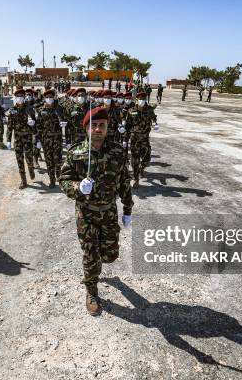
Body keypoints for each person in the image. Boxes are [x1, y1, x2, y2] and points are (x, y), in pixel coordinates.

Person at [59, 107, 133, 316]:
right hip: (86, 213)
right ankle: (91, 290)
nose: (98, 129)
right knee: (91, 255)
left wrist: (127, 209)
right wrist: (77, 188)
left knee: (110, 255)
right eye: (94, 126)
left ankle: (98, 267)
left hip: (109, 212)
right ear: (87, 128)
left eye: (102, 125)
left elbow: (124, 183)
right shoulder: (76, 153)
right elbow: (63, 180)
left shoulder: (117, 152)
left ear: (108, 128)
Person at [125, 92, 157, 188]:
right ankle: (136, 178)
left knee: (147, 157)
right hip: (134, 139)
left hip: (145, 138)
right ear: (137, 100)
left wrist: (155, 123)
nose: (142, 100)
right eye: (140, 99)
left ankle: (142, 168)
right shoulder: (131, 111)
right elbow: (128, 125)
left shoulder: (149, 110)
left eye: (143, 98)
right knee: (135, 160)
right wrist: (125, 139)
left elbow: (154, 118)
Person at [7, 88, 37, 189]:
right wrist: (8, 139)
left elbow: (35, 123)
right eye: (18, 96)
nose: (20, 98)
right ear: (15, 98)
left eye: (21, 96)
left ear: (24, 98)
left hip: (27, 137)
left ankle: (31, 167)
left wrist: (33, 124)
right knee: (19, 159)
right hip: (17, 138)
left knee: (28, 158)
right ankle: (23, 181)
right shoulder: (12, 110)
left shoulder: (29, 109)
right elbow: (10, 126)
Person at [36, 89, 63, 187]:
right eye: (47, 97)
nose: (49, 99)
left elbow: (65, 119)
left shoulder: (59, 109)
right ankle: (52, 180)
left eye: (50, 97)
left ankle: (59, 178)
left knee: (58, 160)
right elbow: (38, 126)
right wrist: (38, 140)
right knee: (49, 160)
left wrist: (64, 124)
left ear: (54, 97)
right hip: (46, 140)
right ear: (44, 98)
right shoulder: (41, 110)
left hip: (57, 139)